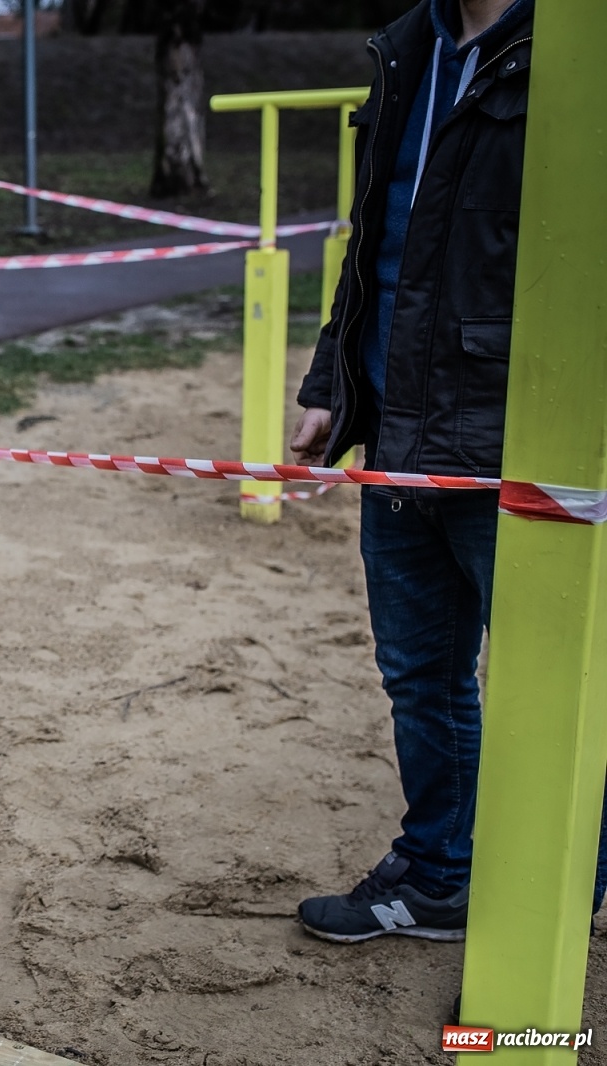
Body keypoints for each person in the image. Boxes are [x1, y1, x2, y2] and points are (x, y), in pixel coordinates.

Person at [290, 0, 607, 944]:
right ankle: (440, 874)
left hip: (520, 440)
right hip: (396, 430)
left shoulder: (579, 46)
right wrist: (330, 379)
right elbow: (373, 238)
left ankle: (552, 903)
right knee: (420, 675)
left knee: (557, 680)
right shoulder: (408, 46)